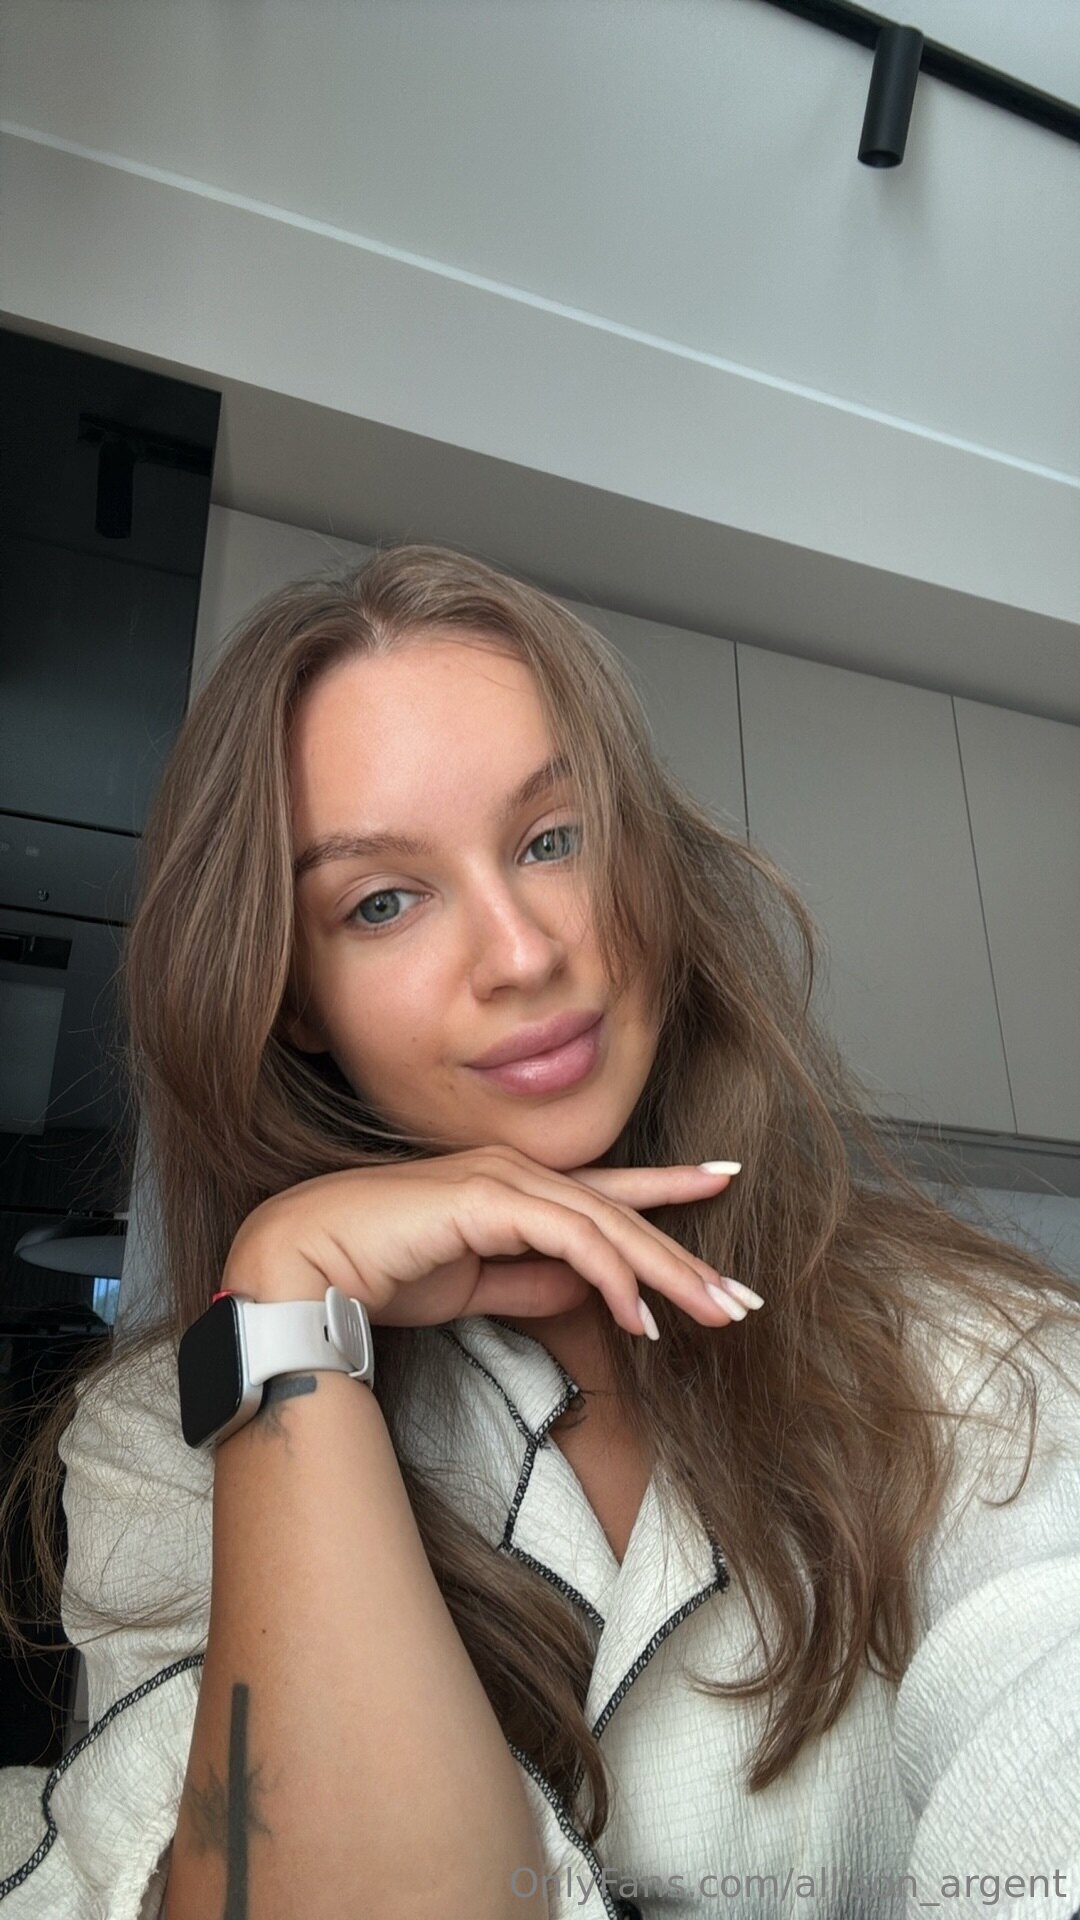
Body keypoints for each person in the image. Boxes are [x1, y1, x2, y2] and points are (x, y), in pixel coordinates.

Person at [1, 543, 1079, 1920]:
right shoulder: (173, 1433)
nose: (521, 954)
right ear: (297, 1000)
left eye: (552, 839)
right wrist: (287, 1295)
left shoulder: (975, 1349)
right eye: (381, 902)